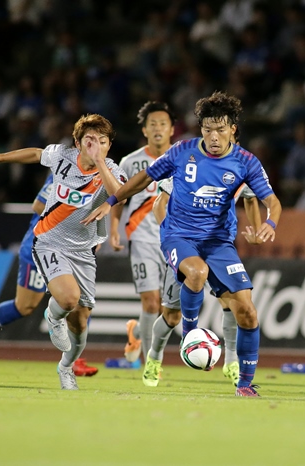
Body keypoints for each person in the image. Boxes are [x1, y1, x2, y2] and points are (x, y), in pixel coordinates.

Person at [82, 91, 282, 397]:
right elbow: (143, 180)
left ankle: (244, 384)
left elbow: (270, 202)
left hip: (219, 243)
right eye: (207, 129)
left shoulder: (246, 162)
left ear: (232, 129)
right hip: (179, 237)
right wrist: (111, 202)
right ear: (200, 128)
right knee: (194, 277)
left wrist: (269, 224)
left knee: (247, 312)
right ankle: (190, 337)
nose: (213, 136)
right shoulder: (182, 151)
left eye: (220, 129)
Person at [0, 113, 127, 390]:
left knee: (81, 317)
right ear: (78, 143)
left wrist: (100, 168)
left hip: (81, 250)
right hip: (47, 241)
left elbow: (120, 195)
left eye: (102, 141)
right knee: (38, 304)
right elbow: (36, 171)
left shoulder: (111, 170)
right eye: (90, 140)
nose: (96, 146)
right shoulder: (62, 160)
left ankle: (69, 363)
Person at [142, 131, 264, 388]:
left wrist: (256, 229)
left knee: (233, 303)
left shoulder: (240, 167)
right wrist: (171, 236)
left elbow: (251, 200)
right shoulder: (191, 167)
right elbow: (159, 204)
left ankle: (232, 362)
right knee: (171, 315)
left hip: (218, 245)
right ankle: (154, 357)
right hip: (184, 244)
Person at [0, 174, 98, 377]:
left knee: (81, 300)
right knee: (25, 306)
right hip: (40, 247)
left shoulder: (100, 175)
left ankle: (74, 360)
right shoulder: (64, 169)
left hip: (71, 251)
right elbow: (39, 205)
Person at [109, 101, 177, 366]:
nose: (158, 128)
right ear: (145, 130)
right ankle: (152, 365)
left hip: (175, 239)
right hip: (142, 238)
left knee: (168, 310)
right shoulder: (130, 162)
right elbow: (120, 197)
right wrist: (114, 229)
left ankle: (136, 332)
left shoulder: (185, 159)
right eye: (153, 124)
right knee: (151, 303)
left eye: (163, 124)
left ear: (172, 129)